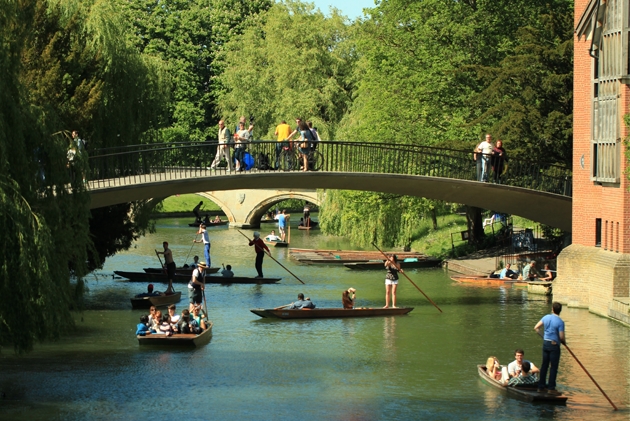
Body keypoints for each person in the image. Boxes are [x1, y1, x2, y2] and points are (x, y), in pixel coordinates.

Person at [534, 302, 566, 394]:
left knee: (544, 365)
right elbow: (561, 337)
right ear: (560, 311)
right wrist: (564, 342)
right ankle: (551, 388)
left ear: (552, 309)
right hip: (554, 345)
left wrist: (544, 337)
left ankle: (541, 387)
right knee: (553, 367)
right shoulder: (560, 322)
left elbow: (536, 328)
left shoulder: (546, 317)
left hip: (545, 343)